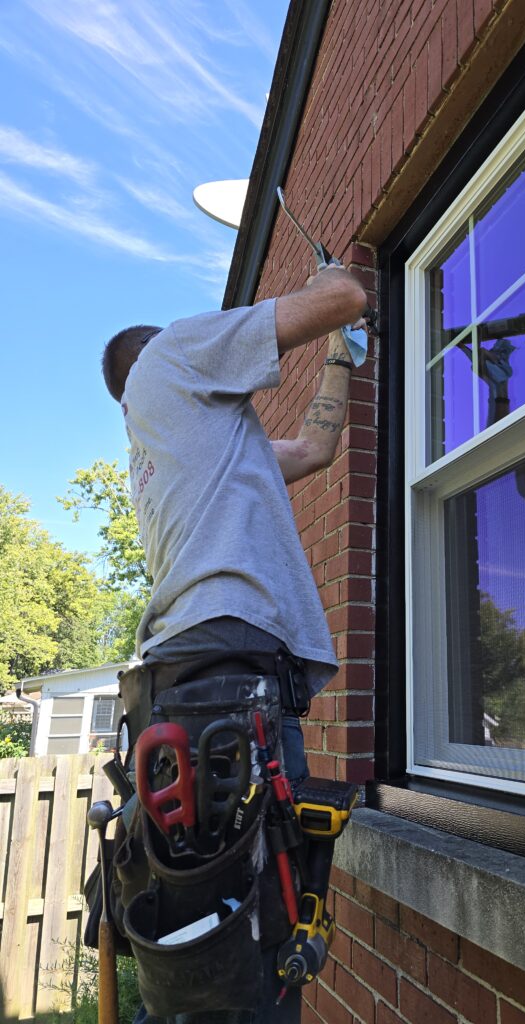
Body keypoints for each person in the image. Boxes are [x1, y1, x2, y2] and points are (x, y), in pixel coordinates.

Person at [101, 263, 369, 1024]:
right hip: (225, 678)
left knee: (216, 938)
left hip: (211, 679)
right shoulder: (173, 354)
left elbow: (314, 451)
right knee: (246, 950)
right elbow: (343, 295)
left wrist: (343, 356)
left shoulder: (186, 449)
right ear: (153, 360)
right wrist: (331, 279)